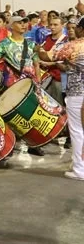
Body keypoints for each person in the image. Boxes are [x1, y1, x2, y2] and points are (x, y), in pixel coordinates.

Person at [0, 16, 43, 158]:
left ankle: (34, 143)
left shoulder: (31, 43)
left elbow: (36, 64)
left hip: (30, 83)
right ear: (11, 26)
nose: (23, 25)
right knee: (10, 115)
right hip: (11, 84)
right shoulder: (4, 44)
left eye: (24, 22)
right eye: (19, 22)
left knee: (31, 113)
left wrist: (38, 81)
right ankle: (10, 145)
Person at [54, 14, 84, 180]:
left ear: (81, 29)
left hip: (78, 94)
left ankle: (80, 170)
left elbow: (49, 56)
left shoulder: (74, 46)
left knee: (78, 131)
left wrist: (38, 51)